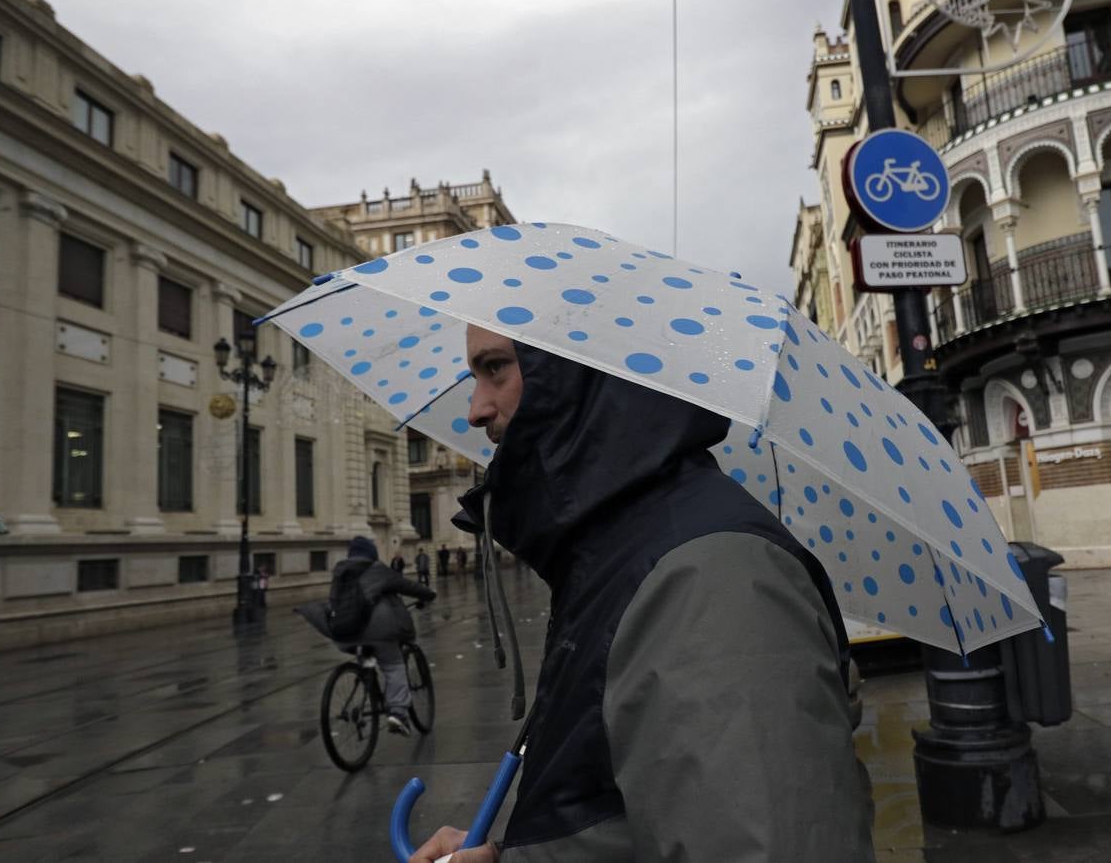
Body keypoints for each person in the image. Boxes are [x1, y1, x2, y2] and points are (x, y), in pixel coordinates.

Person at [408, 325, 873, 862]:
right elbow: (625, 820)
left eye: (496, 369)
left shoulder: (711, 578)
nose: (476, 409)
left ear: (577, 369)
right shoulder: (615, 550)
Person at [332, 536, 436, 735]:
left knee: (366, 655)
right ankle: (398, 713)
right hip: (376, 630)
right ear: (371, 553)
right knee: (393, 665)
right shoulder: (378, 569)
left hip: (345, 633)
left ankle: (367, 672)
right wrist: (429, 594)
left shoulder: (340, 571)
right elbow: (406, 586)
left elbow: (334, 600)